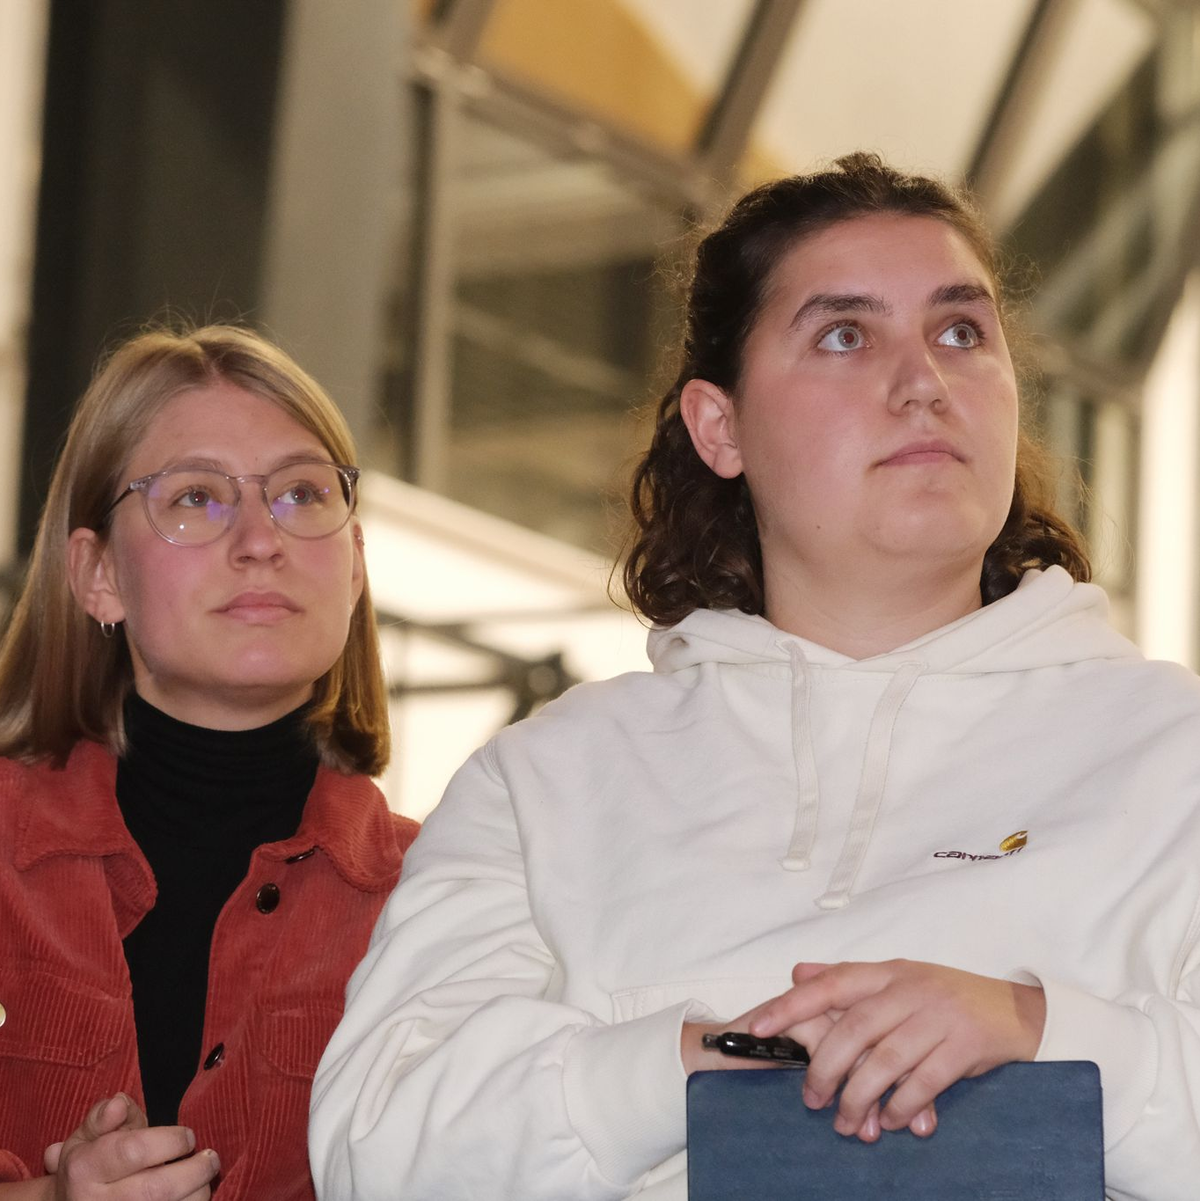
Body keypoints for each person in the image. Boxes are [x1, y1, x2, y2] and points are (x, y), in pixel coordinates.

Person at [309, 154, 1200, 1201]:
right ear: (718, 427)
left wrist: (1037, 1028)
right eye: (844, 335)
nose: (924, 381)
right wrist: (699, 1061)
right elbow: (376, 1149)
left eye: (962, 332)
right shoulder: (547, 779)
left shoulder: (1172, 750)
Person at [0, 325, 418, 1201]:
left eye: (302, 493)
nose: (261, 539)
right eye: (195, 498)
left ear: (352, 571)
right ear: (98, 574)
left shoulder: (439, 889)